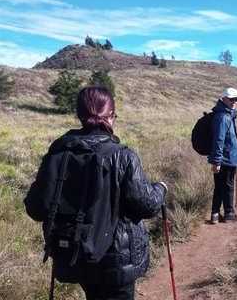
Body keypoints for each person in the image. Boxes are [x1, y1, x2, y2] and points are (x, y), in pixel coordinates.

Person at [24, 86, 167, 300]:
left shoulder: (58, 153)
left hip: (75, 254)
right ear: (110, 116)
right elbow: (147, 205)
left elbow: (35, 208)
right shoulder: (123, 156)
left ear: (79, 115)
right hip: (116, 261)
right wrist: (161, 189)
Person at [208, 87, 237, 224]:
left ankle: (215, 214)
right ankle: (229, 213)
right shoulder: (223, 117)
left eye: (236, 99)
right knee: (227, 185)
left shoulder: (225, 114)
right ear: (224, 99)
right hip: (226, 158)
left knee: (220, 186)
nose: (234, 101)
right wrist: (217, 161)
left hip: (225, 156)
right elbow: (219, 140)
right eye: (231, 99)